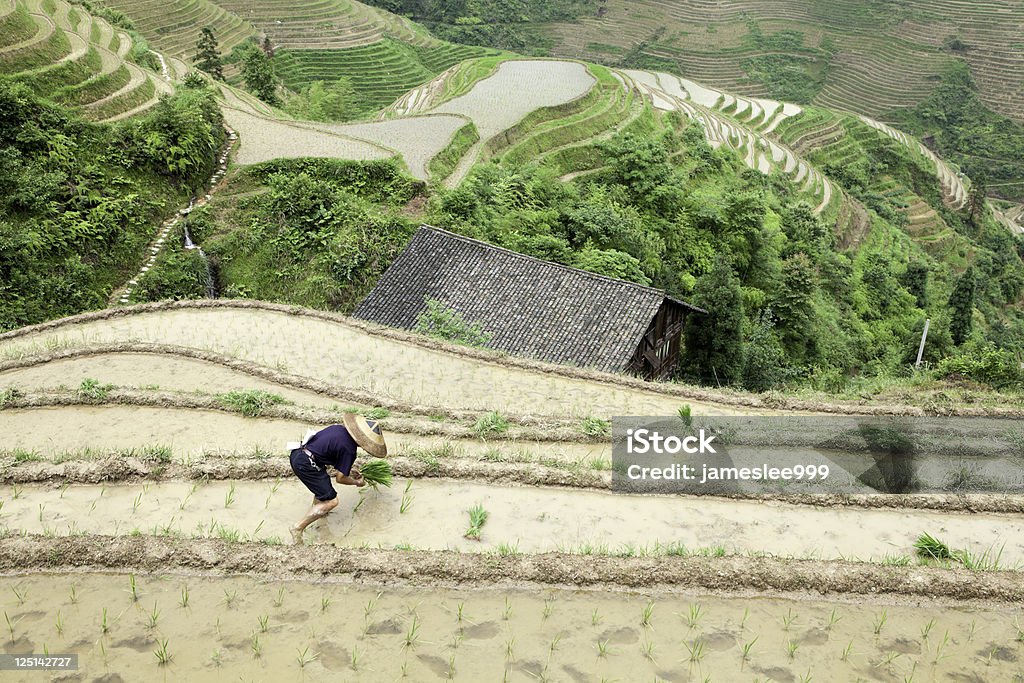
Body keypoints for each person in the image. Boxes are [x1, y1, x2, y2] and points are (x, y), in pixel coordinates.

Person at [289, 413, 388, 544]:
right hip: (307, 464)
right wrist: (357, 482)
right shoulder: (350, 450)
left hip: (298, 453)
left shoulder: (338, 429)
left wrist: (348, 469)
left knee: (323, 492)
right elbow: (340, 479)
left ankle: (321, 519)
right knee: (332, 501)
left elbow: (327, 450)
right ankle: (298, 528)